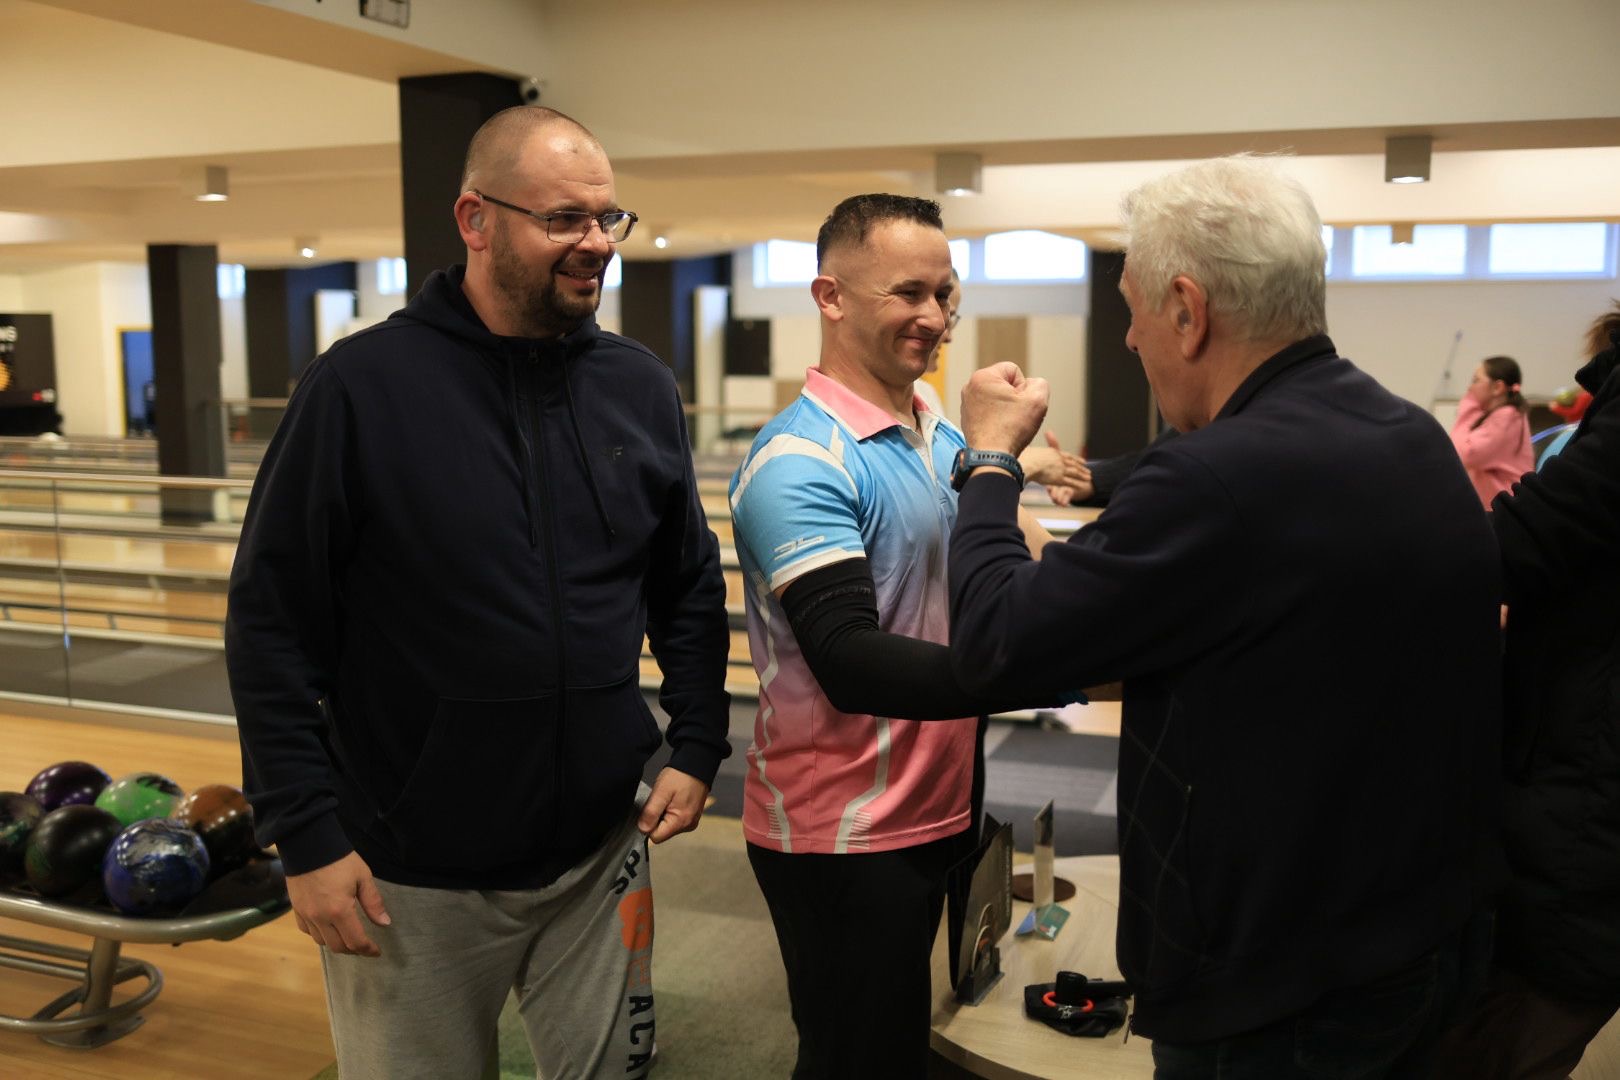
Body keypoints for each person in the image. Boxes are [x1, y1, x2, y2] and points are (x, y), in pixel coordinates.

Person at [945, 156, 1502, 1076]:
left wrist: (990, 462)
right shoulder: (1410, 436)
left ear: (1187, 310)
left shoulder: (1212, 479)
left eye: (1132, 310)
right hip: (1419, 939)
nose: (1130, 339)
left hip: (1276, 995)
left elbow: (995, 645)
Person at [225, 106, 731, 1080]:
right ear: (476, 219)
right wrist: (306, 835)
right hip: (408, 872)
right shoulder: (360, 388)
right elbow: (270, 623)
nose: (596, 243)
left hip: (599, 851)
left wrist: (700, 738)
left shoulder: (637, 386)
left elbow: (688, 582)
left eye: (607, 219)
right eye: (564, 219)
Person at [728, 193, 1053, 1079]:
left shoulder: (934, 428)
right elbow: (850, 661)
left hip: (941, 803)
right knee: (855, 1059)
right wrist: (1045, 675)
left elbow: (1017, 557)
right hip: (842, 832)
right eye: (907, 292)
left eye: (945, 294)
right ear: (830, 297)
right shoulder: (801, 459)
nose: (935, 317)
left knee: (920, 1044)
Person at [1429, 302, 1620, 1079]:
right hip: (1576, 782)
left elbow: (1519, 532)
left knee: (1503, 1036)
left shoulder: (1513, 421)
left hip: (1582, 795)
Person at [1450, 354, 1534, 509]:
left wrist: (1468, 406)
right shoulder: (1503, 415)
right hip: (1498, 507)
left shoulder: (1507, 417)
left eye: (1476, 380)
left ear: (1497, 387)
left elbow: (1464, 454)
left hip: (1505, 510)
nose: (1470, 388)